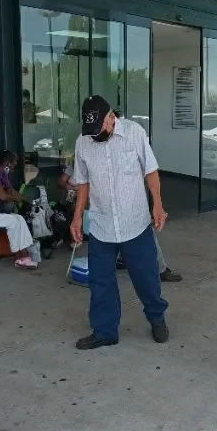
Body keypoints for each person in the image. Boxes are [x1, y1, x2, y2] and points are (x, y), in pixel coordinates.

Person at [70, 95, 169, 350]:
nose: (95, 135)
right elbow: (82, 182)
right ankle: (105, 331)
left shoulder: (135, 133)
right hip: (101, 224)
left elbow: (150, 171)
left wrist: (157, 204)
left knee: (146, 278)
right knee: (100, 282)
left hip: (135, 222)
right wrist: (77, 216)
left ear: (111, 117)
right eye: (91, 131)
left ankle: (157, 318)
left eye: (100, 128)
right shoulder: (83, 142)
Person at [59, 155, 181, 282]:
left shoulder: (102, 164)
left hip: (106, 206)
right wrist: (73, 189)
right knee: (143, 231)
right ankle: (159, 269)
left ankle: (132, 261)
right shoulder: (76, 164)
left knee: (142, 229)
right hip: (89, 209)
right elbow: (62, 181)